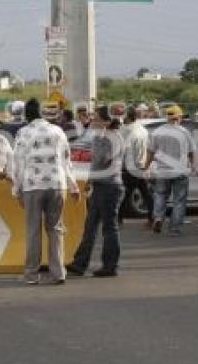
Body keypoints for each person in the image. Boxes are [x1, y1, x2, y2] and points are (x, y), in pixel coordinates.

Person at [12, 99, 80, 285]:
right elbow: (67, 160)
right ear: (41, 113)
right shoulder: (57, 131)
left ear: (26, 114)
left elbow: (18, 162)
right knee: (56, 229)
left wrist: (16, 189)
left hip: (33, 186)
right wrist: (73, 186)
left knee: (33, 230)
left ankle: (32, 274)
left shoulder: (23, 133)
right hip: (57, 184)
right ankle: (58, 273)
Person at [67, 106, 126, 277]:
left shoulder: (109, 138)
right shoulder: (107, 136)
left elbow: (101, 159)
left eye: (97, 119)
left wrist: (97, 139)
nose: (93, 121)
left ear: (107, 121)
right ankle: (80, 263)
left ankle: (110, 265)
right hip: (101, 185)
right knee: (90, 226)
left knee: (109, 228)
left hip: (109, 187)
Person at [144, 105, 198, 236]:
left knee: (160, 196)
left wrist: (146, 166)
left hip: (162, 172)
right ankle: (174, 228)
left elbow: (150, 152)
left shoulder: (157, 132)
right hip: (180, 172)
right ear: (179, 117)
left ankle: (158, 217)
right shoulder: (184, 132)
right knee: (179, 201)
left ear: (167, 117)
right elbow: (192, 153)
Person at [119, 105, 151, 225]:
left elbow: (126, 151)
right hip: (141, 166)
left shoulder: (130, 132)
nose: (121, 118)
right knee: (145, 194)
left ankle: (118, 219)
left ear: (128, 116)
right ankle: (153, 217)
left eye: (123, 115)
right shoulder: (142, 130)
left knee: (124, 194)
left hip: (131, 167)